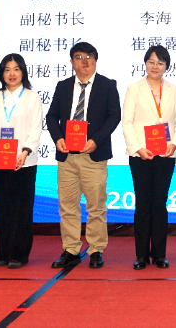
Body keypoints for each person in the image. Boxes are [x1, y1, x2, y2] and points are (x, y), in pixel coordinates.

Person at [45, 42, 121, 269]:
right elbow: (52, 116)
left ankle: (96, 249)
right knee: (68, 206)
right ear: (71, 62)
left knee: (96, 206)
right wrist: (58, 138)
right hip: (67, 157)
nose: (84, 61)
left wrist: (96, 140)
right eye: (79, 57)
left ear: (95, 60)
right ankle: (70, 249)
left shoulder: (107, 85)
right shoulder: (63, 86)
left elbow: (114, 116)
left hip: (93, 156)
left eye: (89, 57)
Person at [122, 45, 176, 269]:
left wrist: (174, 144)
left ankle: (159, 255)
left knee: (159, 203)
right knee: (143, 204)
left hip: (165, 155)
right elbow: (127, 122)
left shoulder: (174, 90)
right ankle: (141, 255)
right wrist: (138, 148)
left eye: (160, 62)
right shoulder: (134, 88)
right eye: (151, 62)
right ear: (145, 64)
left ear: (166, 66)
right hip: (141, 155)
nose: (155, 66)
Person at [0, 53, 42, 269]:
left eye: (16, 69)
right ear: (2, 74)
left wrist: (25, 151)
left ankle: (19, 254)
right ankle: (3, 253)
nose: (12, 74)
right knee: (2, 209)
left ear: (23, 72)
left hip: (23, 162)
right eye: (7, 70)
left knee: (22, 209)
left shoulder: (32, 98)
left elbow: (36, 127)